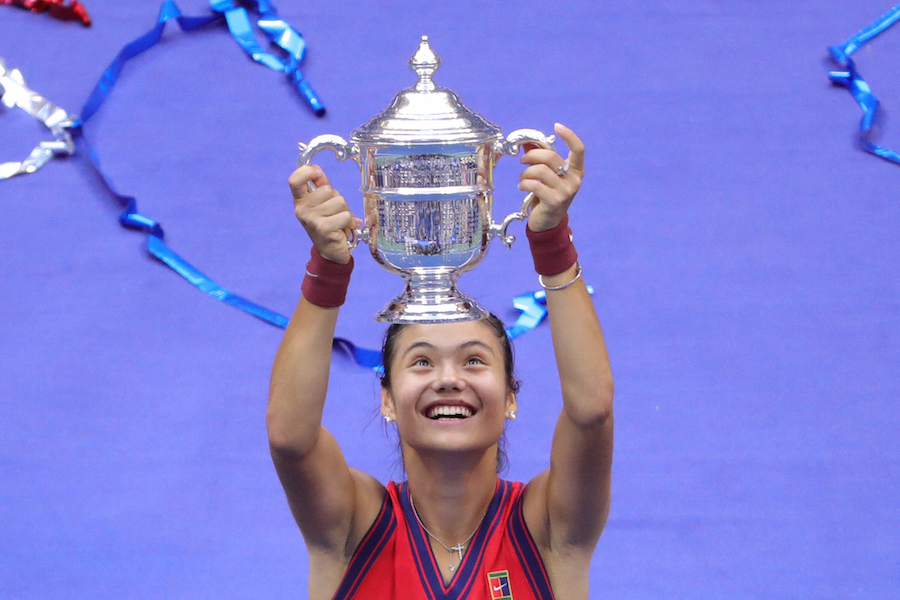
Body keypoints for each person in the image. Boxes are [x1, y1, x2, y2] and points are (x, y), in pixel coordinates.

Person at [268, 123, 614, 600]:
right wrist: (329, 268)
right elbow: (290, 439)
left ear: (510, 398)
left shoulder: (548, 530)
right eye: (421, 363)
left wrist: (552, 243)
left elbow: (592, 411)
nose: (449, 379)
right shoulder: (353, 527)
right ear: (387, 399)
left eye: (474, 361)